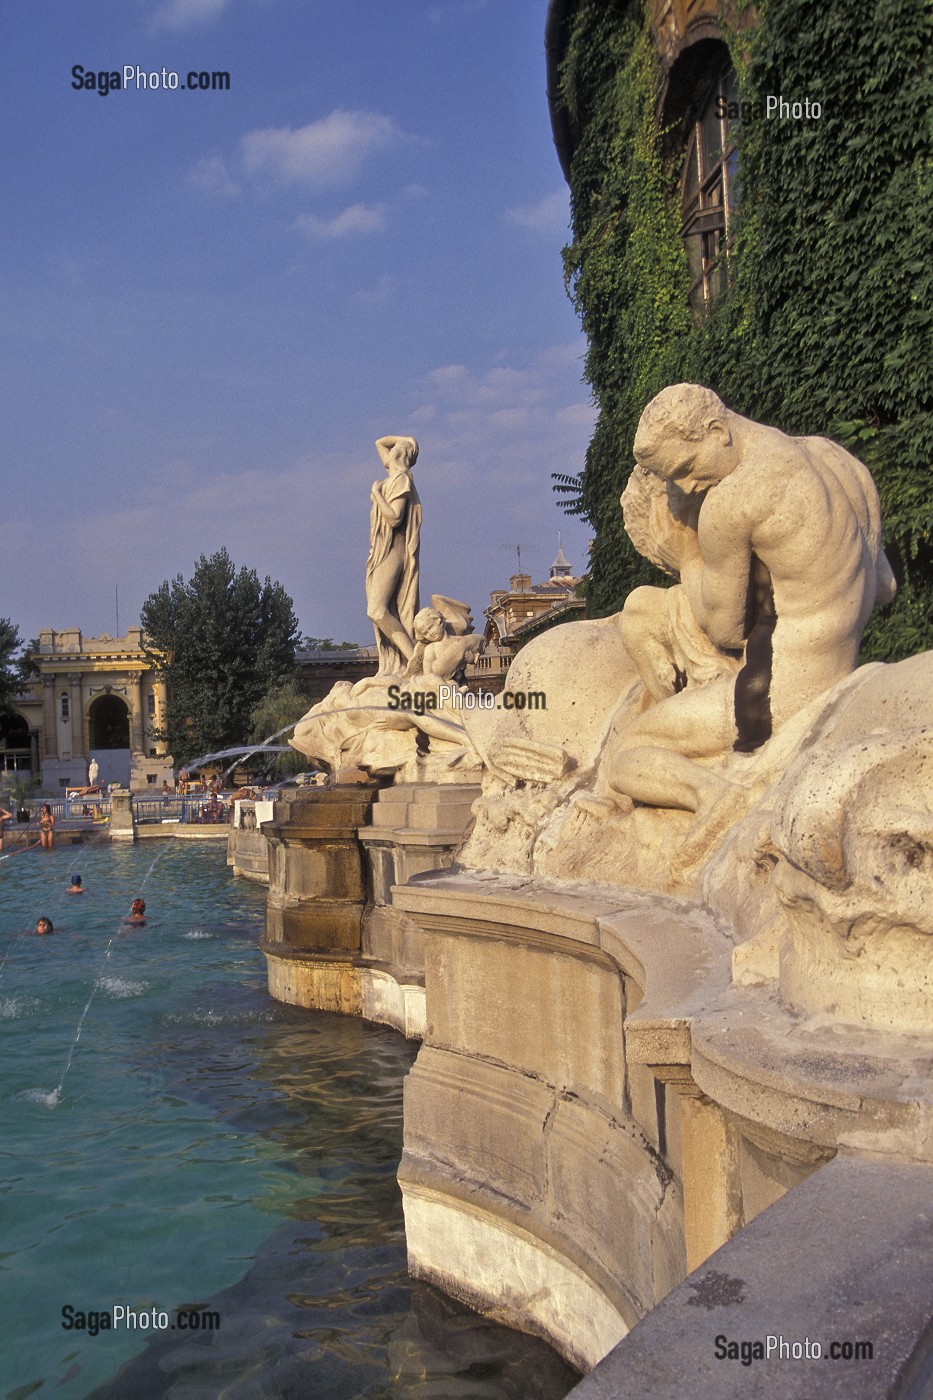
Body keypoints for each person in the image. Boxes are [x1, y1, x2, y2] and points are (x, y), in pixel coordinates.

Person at [590, 384, 897, 817]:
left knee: (628, 754)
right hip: (846, 670)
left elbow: (725, 628)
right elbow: (885, 586)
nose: (688, 485)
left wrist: (686, 559)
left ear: (718, 430)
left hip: (775, 696)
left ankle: (720, 801)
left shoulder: (732, 503)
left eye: (687, 467)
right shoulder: (836, 460)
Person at [366, 435, 422, 673]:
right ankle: (402, 662)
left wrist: (376, 494)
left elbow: (394, 518)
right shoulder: (393, 479)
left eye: (397, 448)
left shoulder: (401, 480)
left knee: (377, 610)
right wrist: (407, 440)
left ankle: (414, 661)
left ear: (401, 455)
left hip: (393, 551)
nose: (390, 449)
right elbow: (379, 442)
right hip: (380, 551)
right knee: (379, 610)